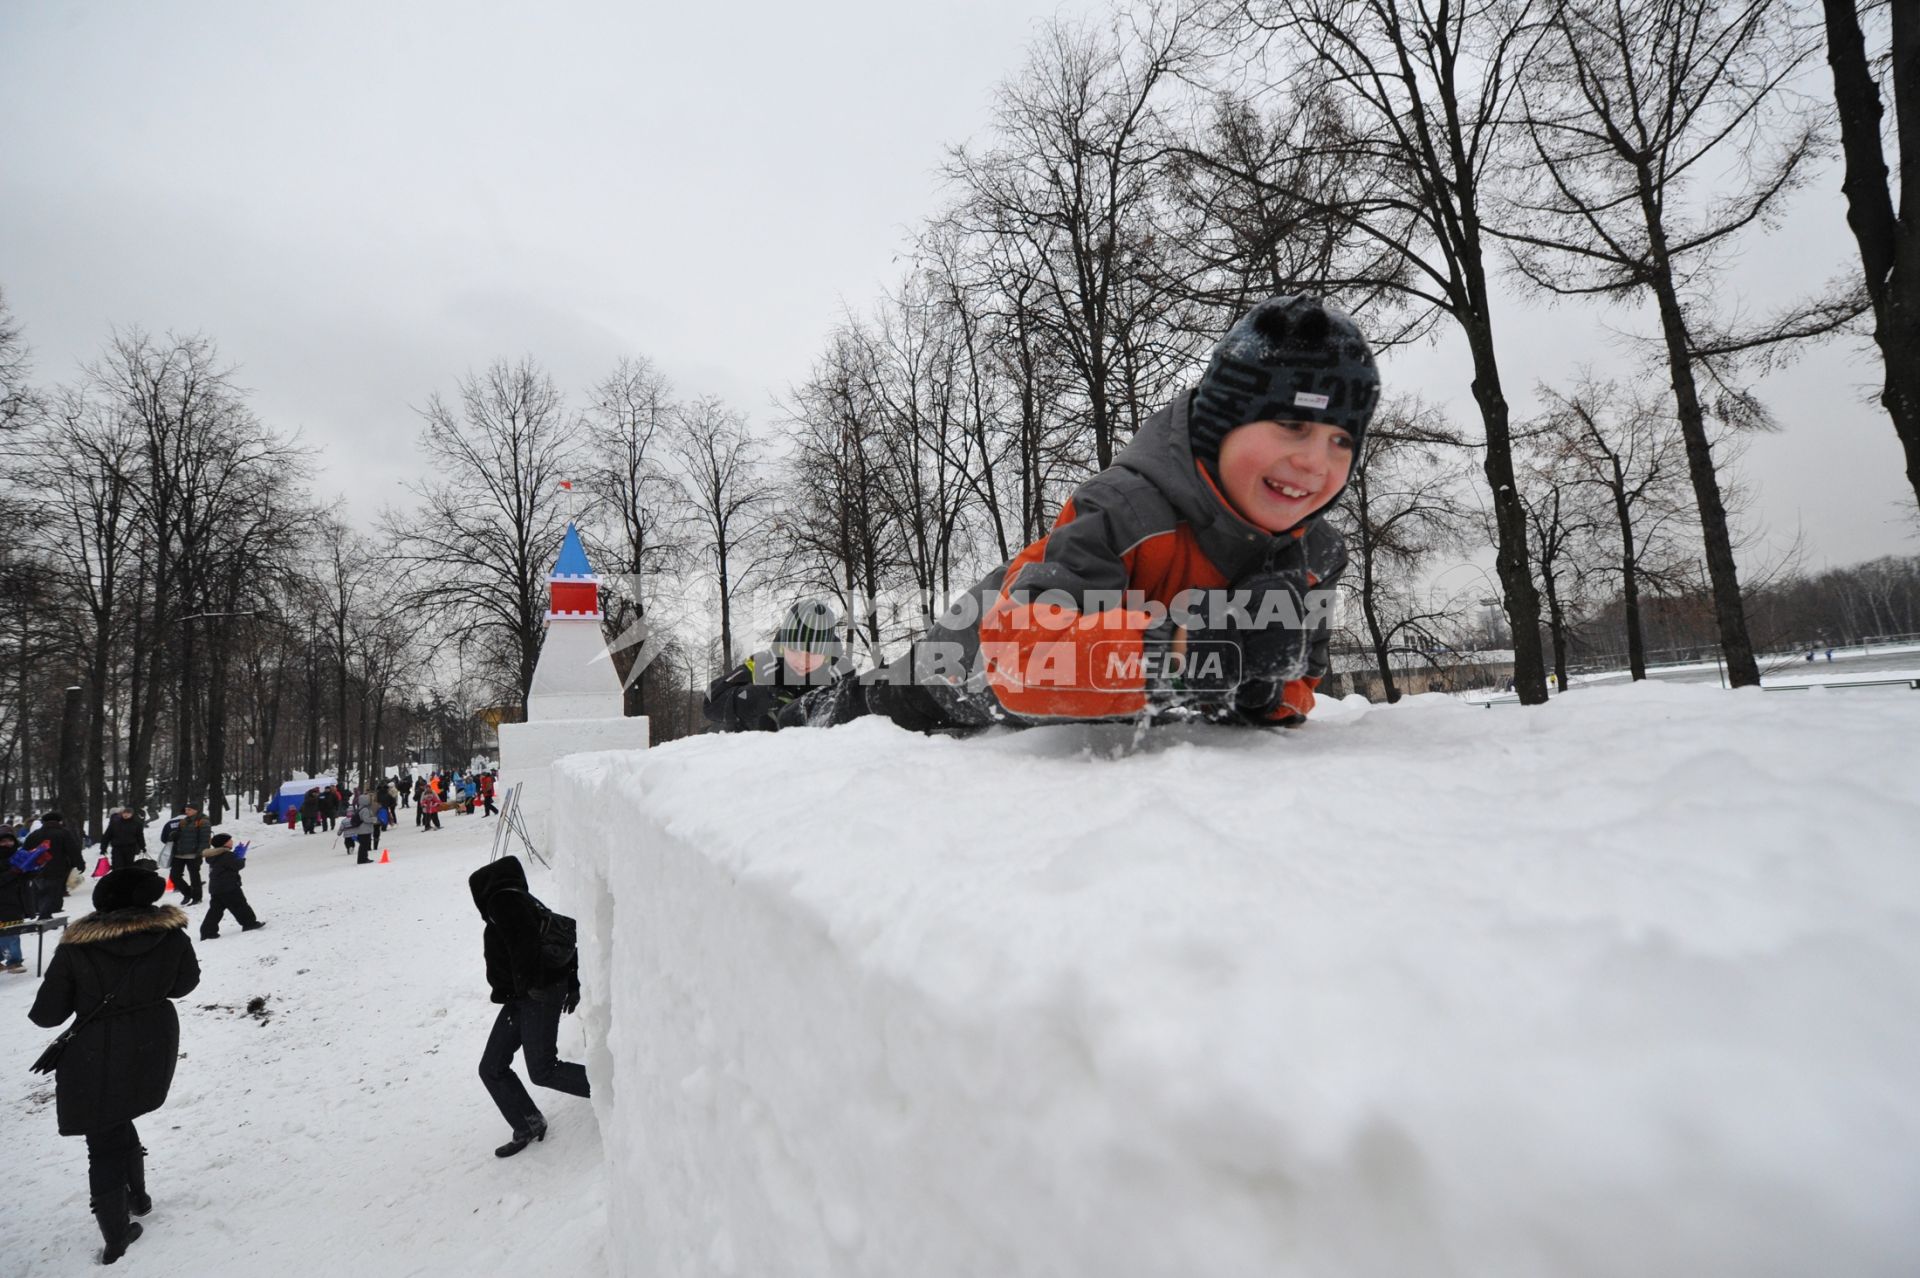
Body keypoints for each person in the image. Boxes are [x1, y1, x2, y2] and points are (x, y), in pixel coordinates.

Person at [787, 294, 1376, 734]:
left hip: (1092, 680)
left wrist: (1264, 686)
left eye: (1341, 441)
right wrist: (1196, 651)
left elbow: (1300, 685)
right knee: (896, 695)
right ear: (1223, 423)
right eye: (1293, 425)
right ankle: (804, 708)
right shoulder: (1125, 508)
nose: (1314, 462)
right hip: (986, 635)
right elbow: (1022, 659)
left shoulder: (1315, 556)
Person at [27, 863, 200, 1265]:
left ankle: (116, 1236)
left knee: (102, 1138)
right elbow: (185, 985)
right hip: (154, 1038)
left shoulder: (78, 945)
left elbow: (47, 1014)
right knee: (119, 1116)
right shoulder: (170, 935)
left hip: (95, 1050)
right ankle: (137, 1199)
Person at [468, 856, 588, 1158]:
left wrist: (536, 988)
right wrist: (570, 984)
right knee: (491, 1067)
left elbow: (526, 950)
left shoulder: (503, 902)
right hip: (525, 995)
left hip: (537, 993)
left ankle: (613, 1086)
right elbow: (550, 940)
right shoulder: (519, 900)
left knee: (543, 1069)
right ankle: (528, 1123)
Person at [703, 600, 855, 732]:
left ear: (827, 654)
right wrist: (758, 696)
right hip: (753, 751)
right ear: (783, 646)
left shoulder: (840, 674)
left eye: (813, 652)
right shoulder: (764, 664)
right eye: (794, 649)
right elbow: (711, 700)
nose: (802, 662)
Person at [198, 835, 264, 939]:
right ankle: (249, 923)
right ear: (224, 843)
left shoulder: (214, 855)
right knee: (240, 905)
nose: (232, 841)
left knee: (215, 910)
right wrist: (241, 858)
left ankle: (207, 931)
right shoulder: (226, 855)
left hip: (216, 888)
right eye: (229, 840)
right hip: (228, 887)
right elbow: (237, 865)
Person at [26, 810, 87, 920]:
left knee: (39, 889)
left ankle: (37, 910)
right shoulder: (64, 833)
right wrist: (79, 864)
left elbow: (26, 850)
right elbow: (73, 850)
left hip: (37, 868)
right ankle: (45, 915)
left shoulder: (35, 834)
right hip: (58, 867)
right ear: (59, 821)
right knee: (53, 891)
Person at [168, 802, 211, 907]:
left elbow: (205, 839)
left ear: (196, 810)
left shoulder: (203, 821)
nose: (187, 812)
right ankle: (187, 893)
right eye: (186, 810)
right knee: (174, 875)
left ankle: (197, 897)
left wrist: (200, 852)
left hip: (193, 854)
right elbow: (178, 834)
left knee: (194, 876)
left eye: (189, 810)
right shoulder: (183, 821)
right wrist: (174, 835)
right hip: (179, 853)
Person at [1, 827, 30, 972]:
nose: (7, 844)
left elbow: (24, 878)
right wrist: (12, 873)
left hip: (18, 900)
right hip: (3, 902)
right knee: (8, 932)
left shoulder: (19, 856)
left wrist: (35, 867)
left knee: (13, 930)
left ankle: (12, 960)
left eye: (10, 841)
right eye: (3, 841)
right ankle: (14, 961)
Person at [101, 806, 147, 873]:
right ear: (122, 814)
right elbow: (107, 836)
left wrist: (142, 847)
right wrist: (103, 848)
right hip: (117, 849)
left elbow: (140, 836)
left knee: (128, 867)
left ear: (132, 814)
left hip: (130, 849)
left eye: (128, 813)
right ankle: (117, 881)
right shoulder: (114, 824)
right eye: (124, 813)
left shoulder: (136, 824)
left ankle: (127, 881)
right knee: (117, 867)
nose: (126, 814)